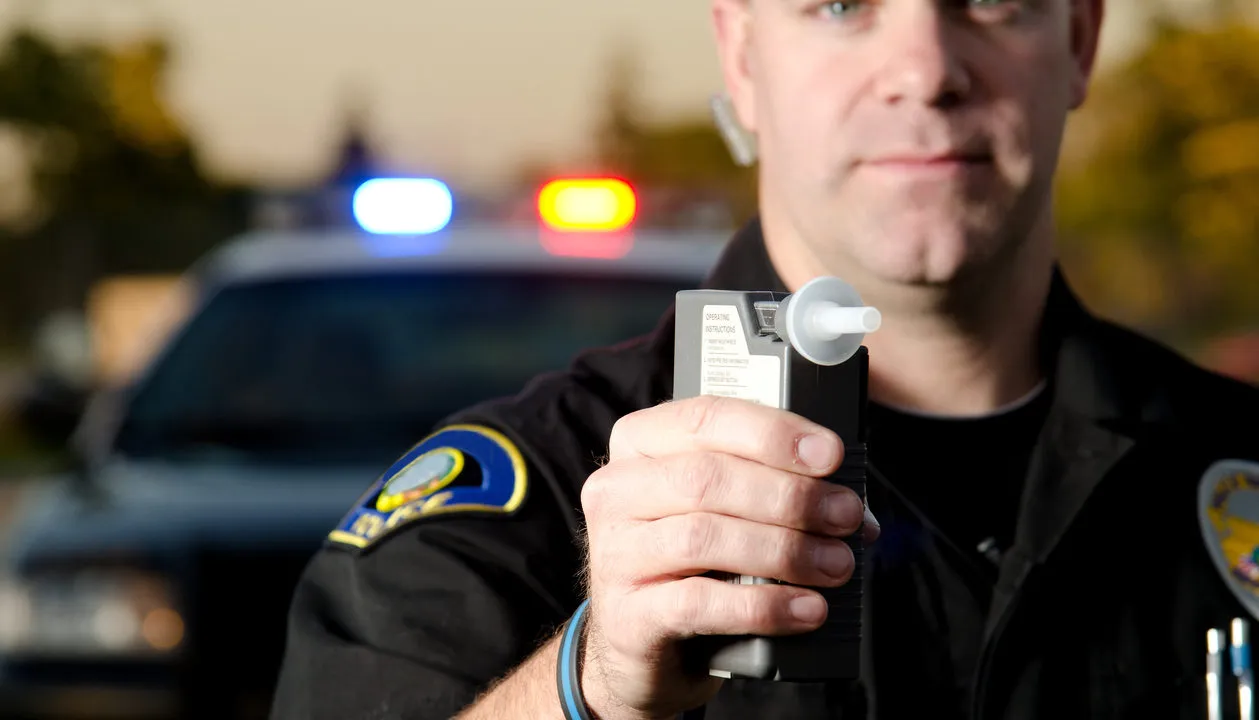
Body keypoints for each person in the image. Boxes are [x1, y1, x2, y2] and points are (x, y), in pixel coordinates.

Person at [270, 0, 1259, 718]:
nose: (923, 68)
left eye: (988, 0)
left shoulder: (1234, 470)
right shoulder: (520, 506)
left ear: (1078, 39)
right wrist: (590, 684)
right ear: (740, 54)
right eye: (838, 5)